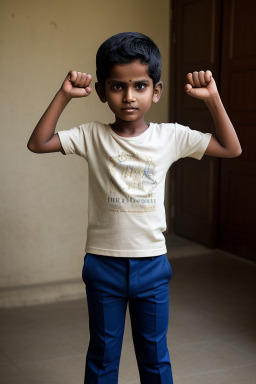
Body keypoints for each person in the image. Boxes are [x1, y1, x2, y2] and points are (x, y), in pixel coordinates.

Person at [27, 32, 241, 384]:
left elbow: (231, 149)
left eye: (140, 86)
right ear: (101, 92)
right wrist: (64, 95)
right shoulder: (91, 135)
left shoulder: (170, 136)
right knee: (102, 357)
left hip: (153, 265)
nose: (129, 97)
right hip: (102, 264)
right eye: (117, 87)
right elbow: (38, 143)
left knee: (155, 358)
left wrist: (213, 98)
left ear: (156, 91)